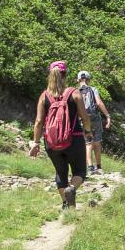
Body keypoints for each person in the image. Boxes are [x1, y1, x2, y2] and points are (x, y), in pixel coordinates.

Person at [28, 60, 88, 208]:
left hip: (51, 142)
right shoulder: (74, 93)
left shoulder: (44, 96)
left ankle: (66, 205)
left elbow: (39, 121)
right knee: (80, 170)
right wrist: (88, 131)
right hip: (74, 138)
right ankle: (71, 189)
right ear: (65, 74)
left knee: (61, 173)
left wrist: (35, 143)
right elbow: (85, 117)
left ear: (50, 75)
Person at [75, 69, 110, 174]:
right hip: (94, 117)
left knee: (88, 143)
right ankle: (99, 167)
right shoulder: (93, 89)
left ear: (78, 80)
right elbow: (98, 103)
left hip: (83, 118)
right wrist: (107, 116)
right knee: (97, 142)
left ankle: (90, 167)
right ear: (88, 79)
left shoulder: (75, 91)